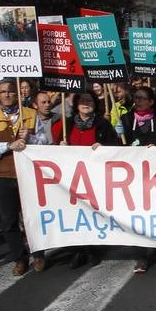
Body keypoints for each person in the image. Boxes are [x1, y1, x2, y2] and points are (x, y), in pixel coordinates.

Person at [0, 80, 40, 276]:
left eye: (10, 91)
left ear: (17, 94)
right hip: (3, 174)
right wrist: (9, 145)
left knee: (32, 217)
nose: (6, 95)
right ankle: (19, 258)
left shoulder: (30, 113)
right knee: (9, 219)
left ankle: (39, 254)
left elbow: (45, 140)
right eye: (2, 92)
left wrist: (30, 138)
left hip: (28, 173)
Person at [63, 92, 120, 269]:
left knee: (92, 212)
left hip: (95, 176)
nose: (85, 103)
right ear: (76, 104)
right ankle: (78, 250)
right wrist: (61, 146)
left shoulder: (102, 124)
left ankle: (93, 249)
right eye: (82, 100)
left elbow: (116, 146)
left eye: (89, 100)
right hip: (72, 176)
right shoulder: (67, 123)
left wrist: (104, 147)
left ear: (95, 104)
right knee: (75, 213)